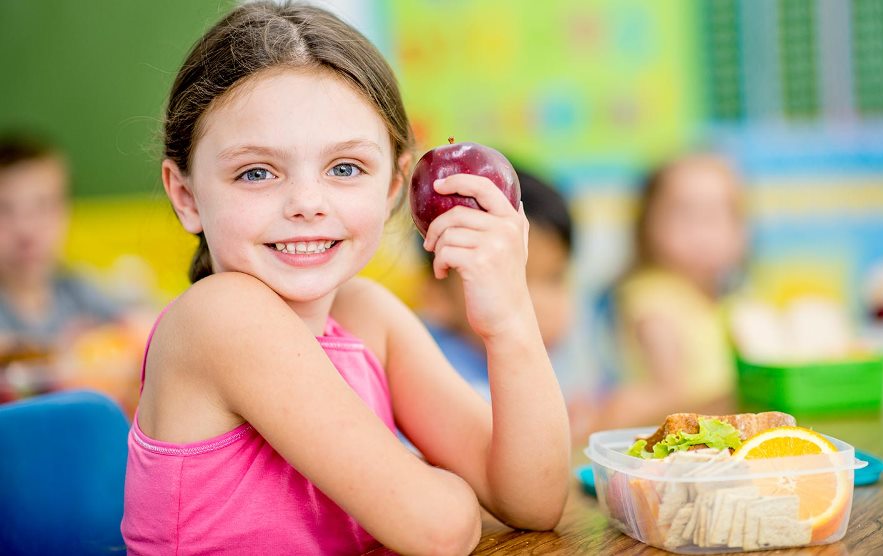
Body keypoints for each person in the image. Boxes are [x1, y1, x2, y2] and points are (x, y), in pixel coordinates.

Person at [121, 3, 570, 555]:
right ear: (186, 195)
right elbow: (439, 530)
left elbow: (536, 500)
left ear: (392, 188)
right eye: (256, 172)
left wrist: (510, 318)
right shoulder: (221, 317)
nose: (307, 203)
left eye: (345, 168)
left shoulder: (365, 315)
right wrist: (438, 484)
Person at [574, 152, 746, 441]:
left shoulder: (728, 299)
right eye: (686, 213)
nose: (704, 229)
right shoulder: (652, 299)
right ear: (648, 223)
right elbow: (669, 392)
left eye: (719, 214)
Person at [420, 167, 575, 401]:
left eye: (554, 278)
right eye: (512, 277)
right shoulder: (440, 378)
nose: (541, 304)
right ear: (437, 292)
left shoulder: (535, 364)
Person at [0, 134, 123, 399]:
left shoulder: (76, 290)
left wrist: (97, 343)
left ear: (64, 214)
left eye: (43, 206)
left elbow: (142, 324)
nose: (26, 230)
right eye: (4, 210)